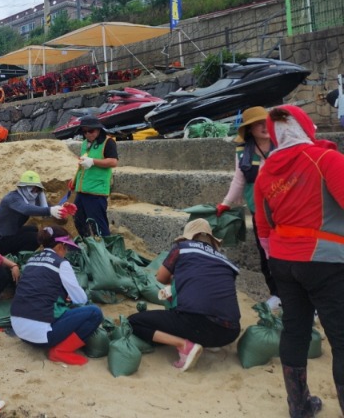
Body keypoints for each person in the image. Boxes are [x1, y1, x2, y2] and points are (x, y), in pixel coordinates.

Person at [254, 105, 344, 417]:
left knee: (295, 330)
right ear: (306, 127)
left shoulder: (266, 171)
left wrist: (279, 258)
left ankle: (299, 405)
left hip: (283, 260)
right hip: (327, 260)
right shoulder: (326, 159)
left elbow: (263, 227)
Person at [128, 219, 241, 372]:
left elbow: (161, 278)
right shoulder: (226, 262)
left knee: (134, 322)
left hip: (198, 323)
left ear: (188, 237)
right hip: (230, 332)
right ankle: (207, 343)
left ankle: (184, 346)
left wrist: (175, 280)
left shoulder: (182, 248)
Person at [217, 106, 280, 311]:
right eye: (258, 123)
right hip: (258, 210)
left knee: (291, 254)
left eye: (267, 122)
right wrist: (226, 203)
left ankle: (304, 300)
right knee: (265, 254)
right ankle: (277, 294)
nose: (264, 127)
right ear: (250, 129)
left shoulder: (282, 145)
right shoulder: (243, 150)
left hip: (285, 210)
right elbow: (239, 179)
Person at [10, 226, 103, 365]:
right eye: (66, 248)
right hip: (41, 336)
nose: (66, 252)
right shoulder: (62, 264)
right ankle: (61, 351)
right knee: (95, 313)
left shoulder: (32, 260)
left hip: (19, 330)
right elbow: (81, 299)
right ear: (60, 246)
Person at [0, 170, 68, 255]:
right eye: (32, 189)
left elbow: (46, 209)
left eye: (37, 189)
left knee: (34, 229)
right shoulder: (13, 198)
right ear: (23, 187)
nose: (35, 192)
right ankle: (17, 258)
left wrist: (61, 209)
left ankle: (18, 253)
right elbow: (26, 209)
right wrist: (50, 211)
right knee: (35, 238)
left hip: (10, 233)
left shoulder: (31, 198)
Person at [67, 116, 118, 237]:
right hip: (82, 190)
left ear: (98, 129)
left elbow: (113, 162)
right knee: (78, 220)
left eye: (90, 131)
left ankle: (105, 251)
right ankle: (89, 244)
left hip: (96, 192)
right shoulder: (85, 143)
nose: (87, 134)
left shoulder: (108, 142)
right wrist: (75, 180)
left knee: (98, 225)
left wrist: (93, 161)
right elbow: (82, 166)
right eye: (84, 132)